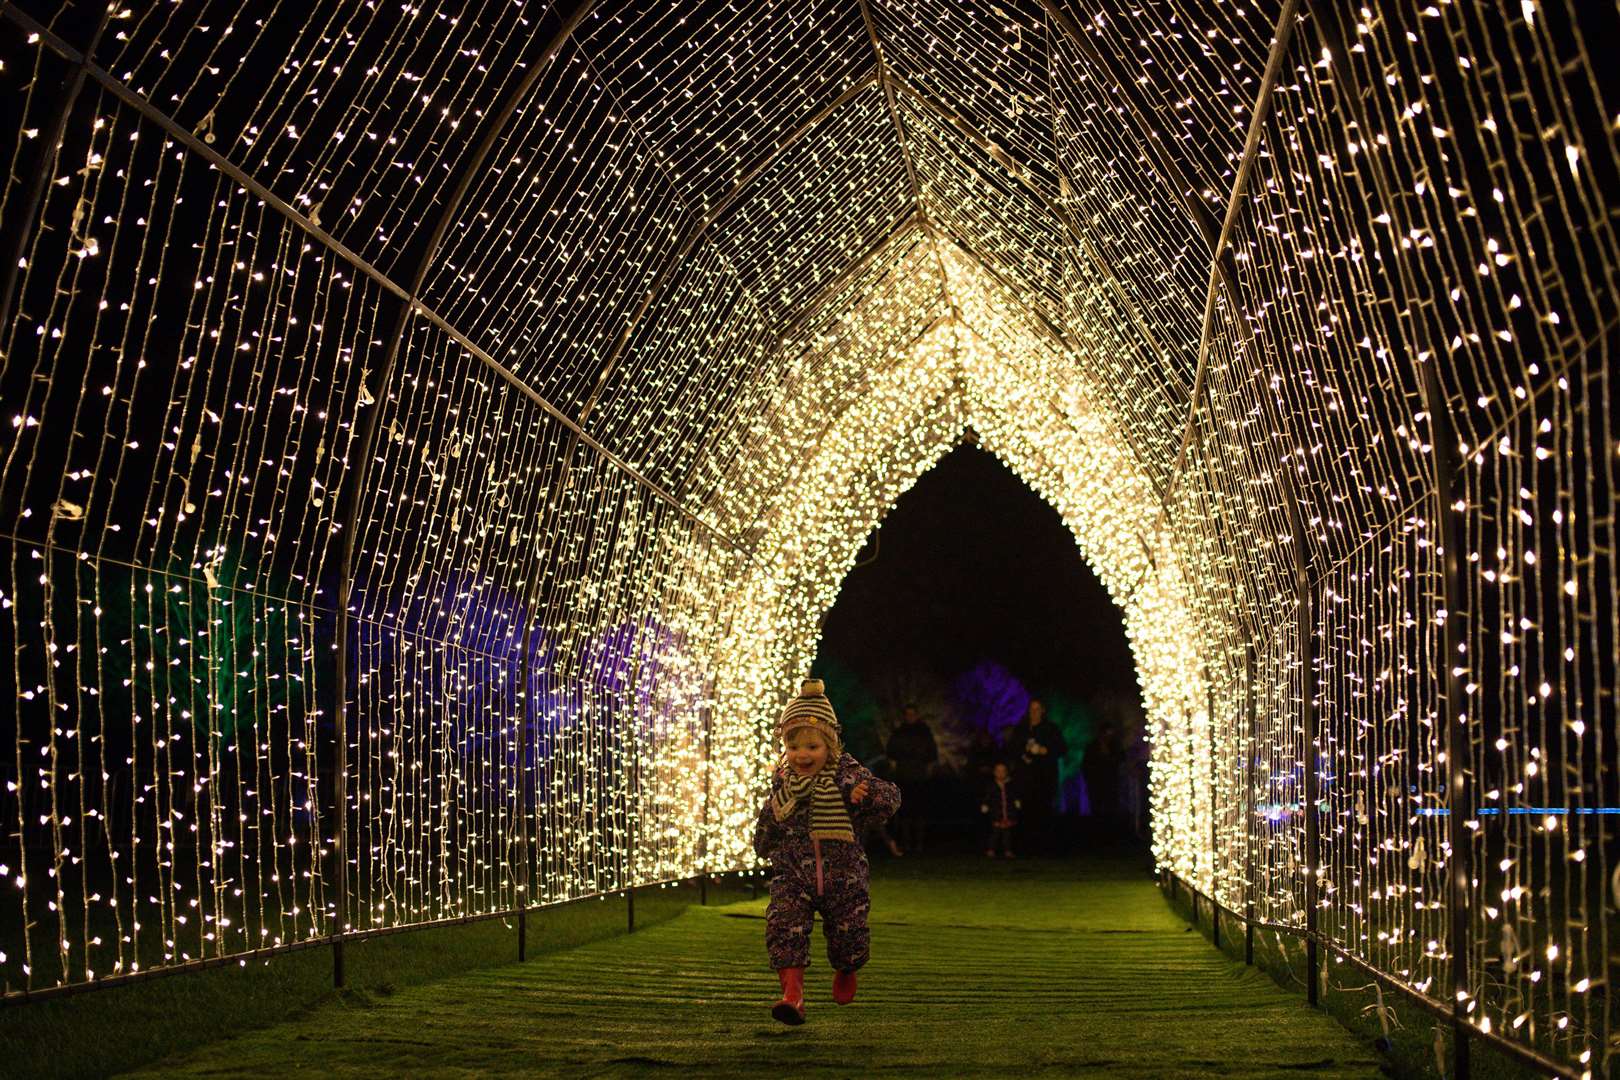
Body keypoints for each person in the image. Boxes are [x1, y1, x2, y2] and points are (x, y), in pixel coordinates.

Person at [753, 678, 900, 1025]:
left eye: (812, 747)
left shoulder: (847, 776)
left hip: (843, 876)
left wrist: (867, 795)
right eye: (794, 747)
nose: (802, 755)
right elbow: (770, 814)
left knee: (849, 935)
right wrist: (762, 843)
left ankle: (847, 968)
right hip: (793, 873)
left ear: (830, 746)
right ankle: (793, 995)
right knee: (784, 925)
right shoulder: (785, 784)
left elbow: (890, 798)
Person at [1001, 698, 1066, 853]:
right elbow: (1011, 749)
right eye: (1031, 709)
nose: (1034, 712)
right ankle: (1025, 847)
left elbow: (1062, 749)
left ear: (1043, 710)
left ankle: (1044, 847)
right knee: (1025, 812)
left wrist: (1045, 750)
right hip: (1025, 779)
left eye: (1037, 709)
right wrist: (1023, 755)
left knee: (1043, 811)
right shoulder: (1021, 729)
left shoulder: (1051, 729)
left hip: (1044, 778)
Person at [885, 703, 938, 854]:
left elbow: (932, 754)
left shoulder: (924, 732)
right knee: (905, 812)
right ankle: (907, 843)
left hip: (920, 778)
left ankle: (919, 844)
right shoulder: (899, 732)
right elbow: (891, 753)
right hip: (904, 777)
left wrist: (927, 771)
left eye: (912, 714)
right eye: (907, 714)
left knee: (919, 811)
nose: (910, 717)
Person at [980, 760, 1020, 858]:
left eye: (1003, 771)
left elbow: (1014, 795)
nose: (1001, 773)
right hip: (996, 813)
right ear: (994, 772)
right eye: (998, 771)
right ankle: (991, 850)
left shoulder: (1010, 785)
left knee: (1007, 834)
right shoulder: (992, 785)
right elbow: (987, 796)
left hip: (1008, 813)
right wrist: (985, 804)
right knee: (995, 833)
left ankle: (1008, 850)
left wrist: (1016, 802)